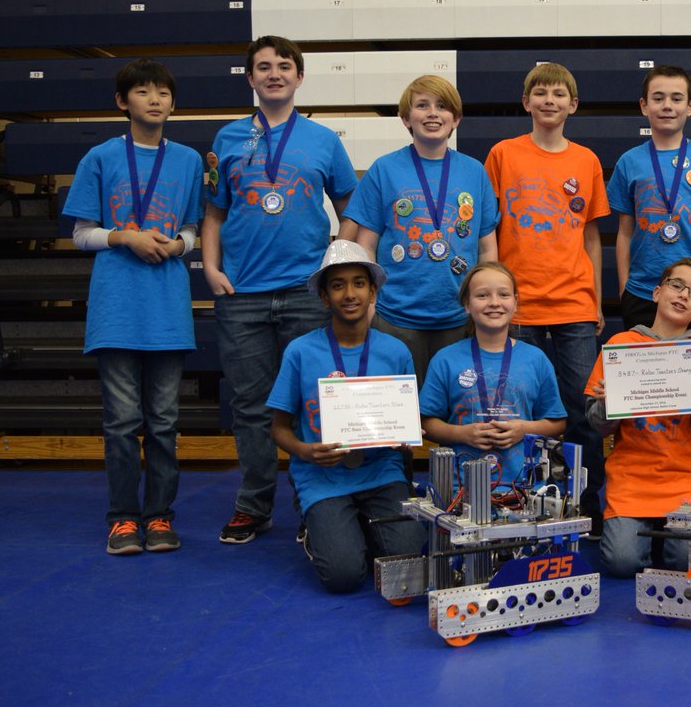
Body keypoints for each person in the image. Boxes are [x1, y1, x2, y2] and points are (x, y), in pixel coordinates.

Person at [204, 35, 360, 544]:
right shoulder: (227, 138)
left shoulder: (323, 140)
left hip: (304, 293)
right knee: (251, 407)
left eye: (284, 66)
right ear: (250, 78)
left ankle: (316, 508)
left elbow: (351, 207)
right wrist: (211, 268)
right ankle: (253, 506)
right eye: (264, 66)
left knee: (315, 403)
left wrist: (334, 263)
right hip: (242, 294)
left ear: (299, 77)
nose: (275, 74)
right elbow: (214, 213)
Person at [63, 58, 202, 555]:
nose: (155, 99)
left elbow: (192, 228)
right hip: (116, 308)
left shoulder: (188, 160)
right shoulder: (100, 157)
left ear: (173, 102)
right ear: (123, 101)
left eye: (163, 92)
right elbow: (80, 233)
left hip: (167, 310)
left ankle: (159, 516)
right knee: (121, 423)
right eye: (143, 91)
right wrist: (125, 237)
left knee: (163, 423)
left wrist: (178, 246)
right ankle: (123, 519)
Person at [483, 62, 610, 536]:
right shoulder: (503, 154)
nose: (549, 101)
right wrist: (497, 294)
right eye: (540, 93)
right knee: (522, 409)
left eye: (559, 94)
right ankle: (520, 498)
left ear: (573, 104)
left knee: (584, 410)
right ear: (526, 102)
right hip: (520, 306)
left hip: (574, 304)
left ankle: (586, 502)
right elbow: (489, 229)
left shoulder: (586, 160)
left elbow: (592, 236)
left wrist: (597, 299)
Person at [266, 240, 424, 593]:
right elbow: (278, 428)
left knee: (409, 567)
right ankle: (319, 526)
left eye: (359, 283)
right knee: (344, 577)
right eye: (338, 286)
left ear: (372, 292)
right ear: (324, 297)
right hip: (323, 477)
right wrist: (306, 451)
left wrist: (404, 434)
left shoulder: (395, 351)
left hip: (381, 473)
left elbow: (408, 419)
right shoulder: (300, 351)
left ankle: (358, 528)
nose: (349, 294)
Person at [344, 75, 498, 383]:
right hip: (395, 317)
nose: (432, 114)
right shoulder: (384, 169)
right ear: (406, 118)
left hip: (459, 317)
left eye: (442, 106)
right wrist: (371, 307)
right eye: (422, 106)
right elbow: (366, 246)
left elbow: (487, 249)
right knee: (401, 406)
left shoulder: (475, 171)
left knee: (456, 405)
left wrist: (484, 301)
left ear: (456, 119)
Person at [584, 258, 691, 577]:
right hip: (631, 477)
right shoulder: (621, 345)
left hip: (686, 479)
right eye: (677, 285)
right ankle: (655, 536)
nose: (683, 295)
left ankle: (667, 538)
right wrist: (607, 403)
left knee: (687, 562)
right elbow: (598, 425)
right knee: (622, 563)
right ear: (657, 293)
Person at [608, 65, 691, 351]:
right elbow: (625, 232)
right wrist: (625, 288)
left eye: (676, 98)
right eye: (658, 98)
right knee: (650, 377)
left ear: (690, 106)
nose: (667, 106)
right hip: (645, 292)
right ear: (644, 105)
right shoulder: (629, 162)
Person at [420, 262, 567, 493]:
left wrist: (523, 429)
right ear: (467, 304)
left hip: (524, 489)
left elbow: (557, 423)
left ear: (515, 303)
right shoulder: (445, 359)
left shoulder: (536, 359)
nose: (494, 302)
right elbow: (426, 422)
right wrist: (462, 434)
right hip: (460, 489)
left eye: (503, 294)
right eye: (482, 295)